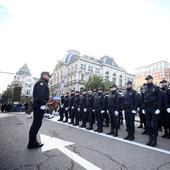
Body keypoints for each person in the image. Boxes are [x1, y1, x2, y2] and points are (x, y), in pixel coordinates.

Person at [27, 72, 52, 149]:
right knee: (36, 124)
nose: (49, 77)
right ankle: (32, 142)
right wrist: (45, 103)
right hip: (39, 105)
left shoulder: (43, 82)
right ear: (44, 75)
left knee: (37, 123)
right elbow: (40, 95)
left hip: (39, 104)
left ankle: (32, 141)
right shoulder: (42, 83)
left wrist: (45, 103)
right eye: (48, 76)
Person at [141, 75, 161, 147]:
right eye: (147, 79)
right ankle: (150, 139)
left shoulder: (156, 88)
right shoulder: (145, 88)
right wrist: (143, 108)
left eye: (149, 79)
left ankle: (154, 140)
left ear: (152, 79)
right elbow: (143, 99)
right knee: (148, 124)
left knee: (154, 125)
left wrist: (158, 108)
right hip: (147, 108)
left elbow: (159, 99)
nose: (147, 80)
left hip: (154, 108)